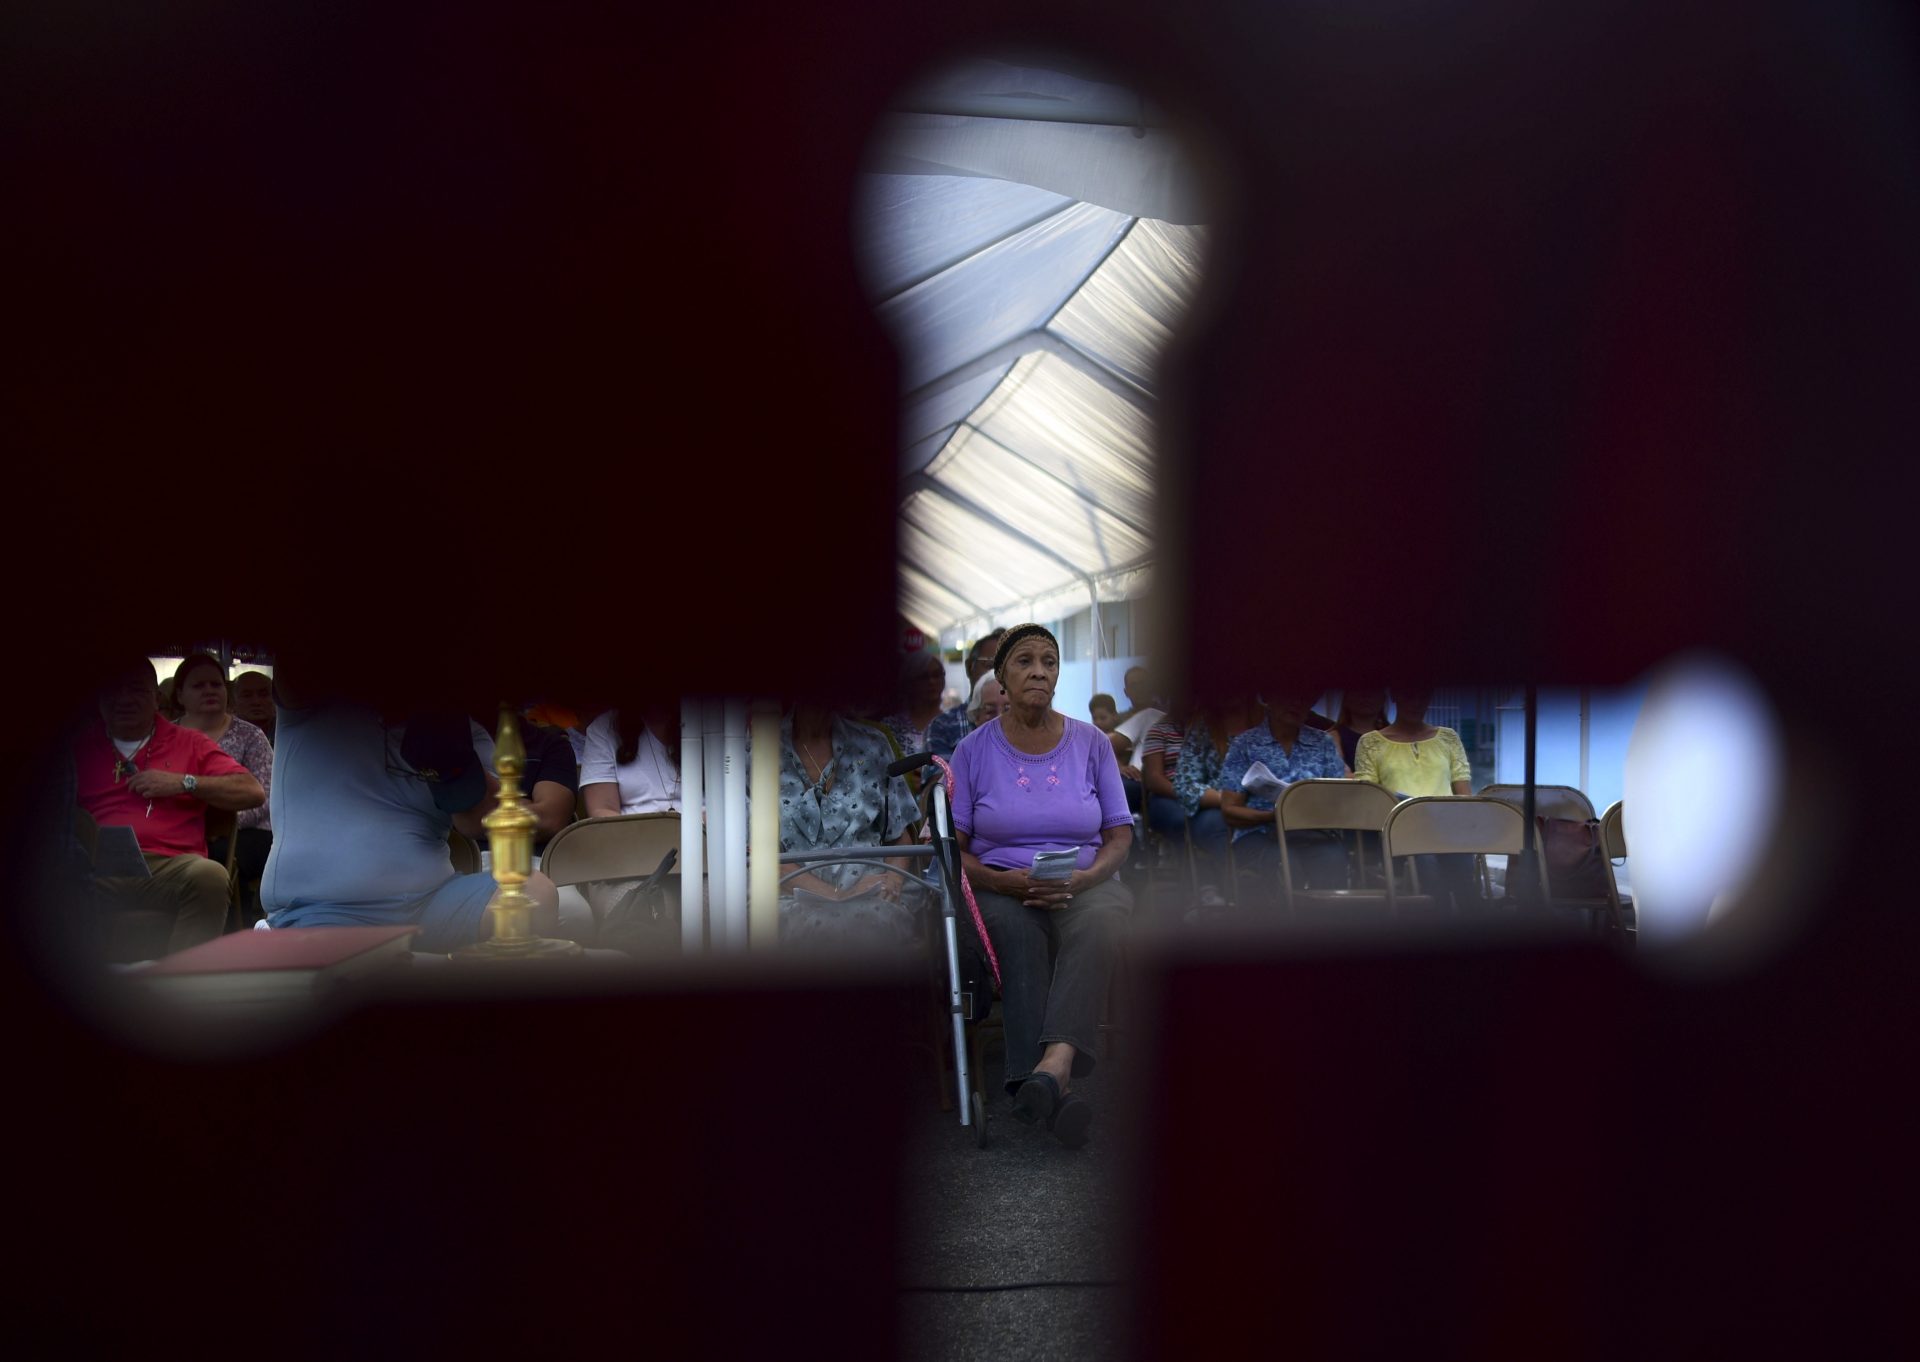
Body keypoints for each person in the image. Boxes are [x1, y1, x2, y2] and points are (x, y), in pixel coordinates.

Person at [948, 623, 1132, 1149]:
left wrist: (1087, 878)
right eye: (1025, 661)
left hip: (1086, 880)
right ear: (1002, 677)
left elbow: (1119, 836)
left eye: (1049, 662)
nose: (1039, 671)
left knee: (1100, 920)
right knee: (1017, 932)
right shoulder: (972, 750)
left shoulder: (1092, 742)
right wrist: (1003, 883)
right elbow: (954, 851)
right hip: (1001, 883)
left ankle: (1048, 1070)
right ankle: (1057, 1088)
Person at [258, 660, 560, 953]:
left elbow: (475, 821)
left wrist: (451, 758)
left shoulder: (460, 727)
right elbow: (294, 664)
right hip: (327, 910)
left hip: (430, 901)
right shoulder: (312, 702)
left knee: (537, 892)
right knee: (369, 970)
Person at [74, 659, 266, 957]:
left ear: (156, 698)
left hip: (170, 866)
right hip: (95, 867)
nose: (124, 699)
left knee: (210, 875)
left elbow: (252, 791)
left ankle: (182, 984)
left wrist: (184, 782)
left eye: (137, 690)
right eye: (114, 691)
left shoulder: (189, 742)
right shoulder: (78, 748)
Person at [774, 703, 925, 948]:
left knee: (874, 924)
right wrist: (836, 895)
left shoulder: (872, 744)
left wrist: (893, 881)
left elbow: (899, 834)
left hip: (874, 895)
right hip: (789, 898)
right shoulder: (755, 751)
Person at [171, 652, 275, 921]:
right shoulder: (164, 737)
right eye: (198, 685)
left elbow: (265, 799)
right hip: (177, 831)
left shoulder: (251, 736)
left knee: (213, 860)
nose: (209, 690)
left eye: (215, 684)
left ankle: (226, 942)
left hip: (247, 832)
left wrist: (218, 824)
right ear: (180, 695)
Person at [1352, 686, 1478, 908]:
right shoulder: (1371, 742)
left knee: (1461, 857)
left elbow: (1464, 795)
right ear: (1395, 696)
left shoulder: (1448, 738)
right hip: (1399, 831)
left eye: (1423, 695)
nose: (1416, 702)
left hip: (1448, 829)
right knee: (1425, 858)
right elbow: (1368, 798)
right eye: (1409, 694)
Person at [1218, 687, 1349, 899]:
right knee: (1285, 866)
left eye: (1304, 699)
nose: (1296, 704)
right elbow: (1230, 810)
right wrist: (1275, 817)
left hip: (1313, 832)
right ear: (1269, 699)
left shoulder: (1323, 743)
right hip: (1260, 834)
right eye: (1288, 696)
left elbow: (1339, 799)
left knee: (1333, 861)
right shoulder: (1245, 744)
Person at [1171, 695, 1265, 906]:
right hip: (1217, 805)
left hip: (1267, 804)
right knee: (1216, 824)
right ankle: (1238, 894)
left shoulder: (1270, 720)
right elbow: (1185, 783)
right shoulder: (1202, 726)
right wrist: (1229, 800)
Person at [578, 704, 682, 816]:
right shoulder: (605, 728)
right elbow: (603, 811)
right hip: (629, 831)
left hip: (701, 829)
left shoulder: (702, 722)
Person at [880, 648, 947, 756]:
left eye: (937, 674)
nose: (932, 681)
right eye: (924, 676)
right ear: (910, 680)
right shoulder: (890, 727)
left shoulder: (952, 722)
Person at [928, 673, 1008, 759]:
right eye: (990, 711)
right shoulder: (965, 754)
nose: (1000, 718)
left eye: (1008, 710)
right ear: (976, 716)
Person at [1330, 687, 1392, 771]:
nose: (1365, 696)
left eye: (1373, 691)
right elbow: (1339, 774)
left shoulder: (1396, 737)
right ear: (1346, 698)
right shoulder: (1333, 737)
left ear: (1383, 698)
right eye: (1358, 690)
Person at [232, 669, 277, 741]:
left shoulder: (287, 733)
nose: (256, 702)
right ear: (234, 702)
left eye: (263, 695)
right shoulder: (221, 737)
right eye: (247, 695)